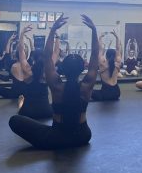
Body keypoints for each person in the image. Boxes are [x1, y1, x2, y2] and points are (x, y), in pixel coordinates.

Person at [8, 14, 99, 149]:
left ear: (62, 68)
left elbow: (47, 56)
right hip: (83, 136)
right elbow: (95, 55)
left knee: (14, 120)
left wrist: (52, 31)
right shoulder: (86, 85)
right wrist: (94, 31)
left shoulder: (57, 86)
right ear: (82, 68)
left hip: (58, 137)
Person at [14, 25, 52, 119]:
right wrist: (55, 36)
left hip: (28, 112)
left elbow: (21, 51)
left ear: (33, 59)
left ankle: (21, 104)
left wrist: (22, 33)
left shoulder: (27, 70)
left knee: (21, 99)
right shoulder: (45, 72)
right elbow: (53, 53)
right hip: (46, 112)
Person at [91, 31, 122, 101]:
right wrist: (117, 37)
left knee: (89, 91)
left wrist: (100, 37)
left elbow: (100, 49)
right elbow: (118, 48)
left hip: (105, 94)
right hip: (117, 93)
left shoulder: (102, 63)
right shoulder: (118, 62)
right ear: (115, 56)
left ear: (106, 56)